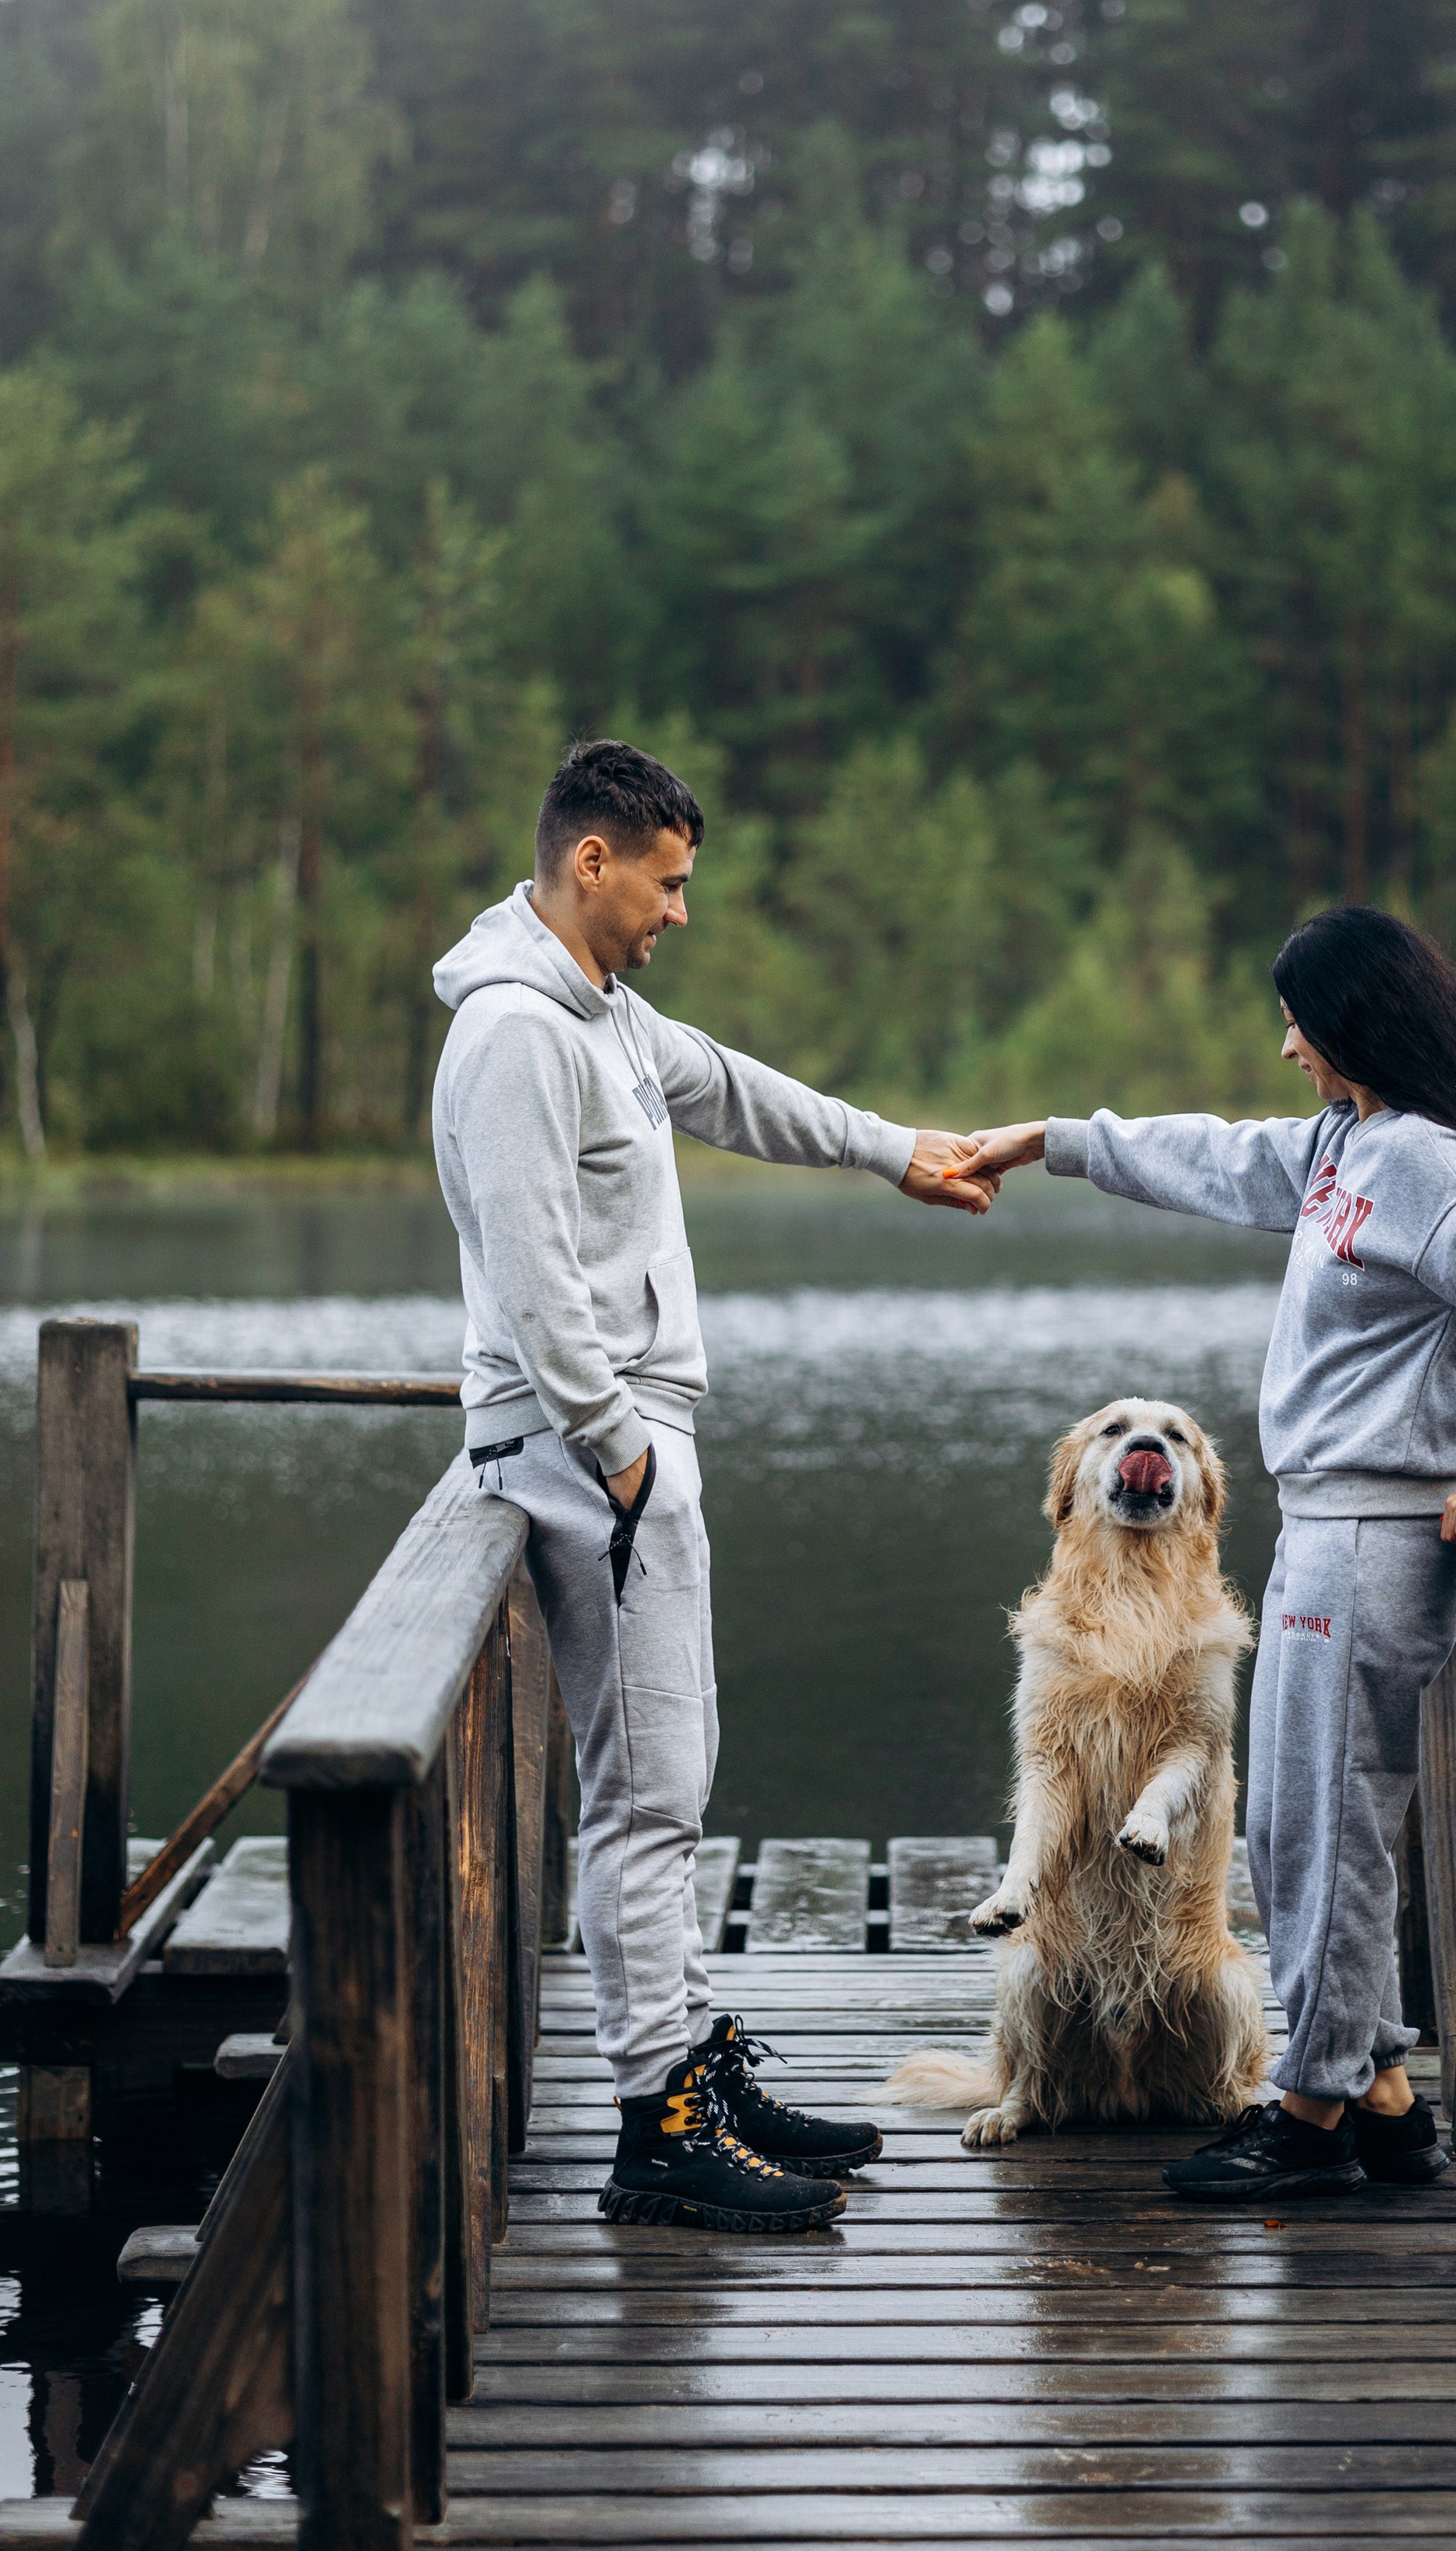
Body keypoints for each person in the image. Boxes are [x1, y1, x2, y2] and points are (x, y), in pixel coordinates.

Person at [430, 738, 995, 2234]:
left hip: (620, 1452)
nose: (683, 913)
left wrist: (899, 1155)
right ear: (593, 862)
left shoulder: (601, 1017)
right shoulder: (512, 1036)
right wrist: (621, 1450)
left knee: (671, 1781)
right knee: (645, 1798)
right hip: (588, 1456)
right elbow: (539, 1283)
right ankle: (656, 2122)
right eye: (668, 884)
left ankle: (690, 2066)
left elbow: (734, 1089)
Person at [952, 904, 1456, 2203]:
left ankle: (1309, 2114)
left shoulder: (1426, 1162)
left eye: (1297, 1016)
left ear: (1352, 1020)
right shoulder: (1348, 1144)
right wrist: (1060, 1142)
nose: (1284, 1043)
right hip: (1327, 1526)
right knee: (1313, 1820)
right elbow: (1219, 1154)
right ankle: (1391, 2100)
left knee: (1324, 1824)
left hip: (1377, 1531)